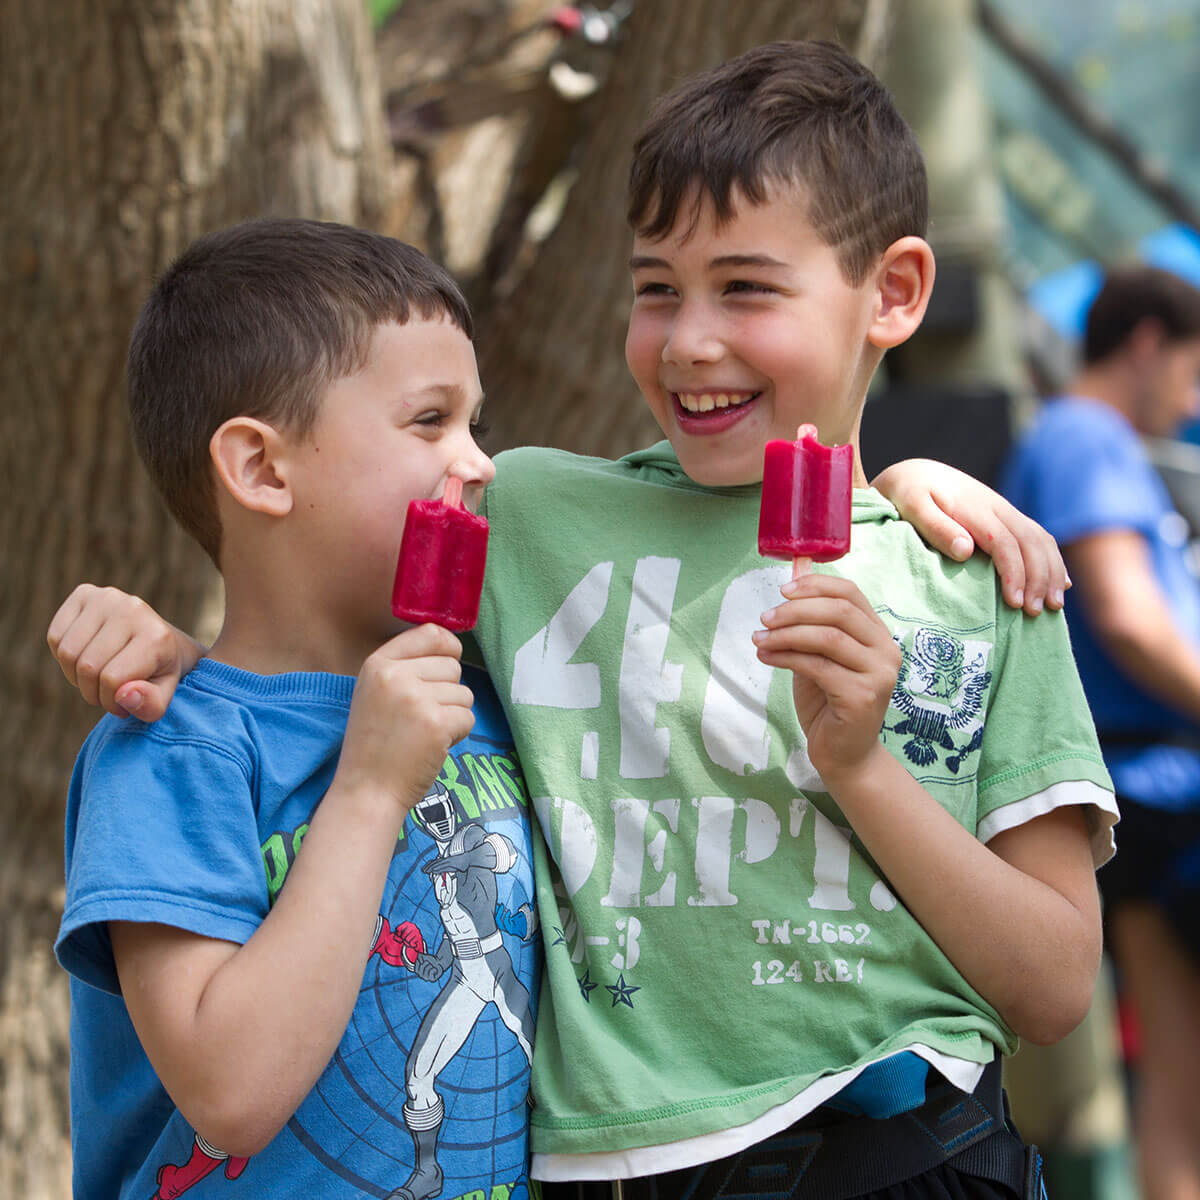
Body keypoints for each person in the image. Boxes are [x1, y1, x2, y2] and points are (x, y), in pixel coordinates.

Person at [48, 41, 1100, 1200]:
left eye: (744, 286)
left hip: (911, 1152)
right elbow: (303, 606)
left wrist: (877, 652)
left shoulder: (976, 582)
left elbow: (1054, 991)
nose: (692, 338)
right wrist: (177, 665)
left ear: (894, 293)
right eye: (657, 288)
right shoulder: (535, 518)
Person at [50, 218, 541, 1200]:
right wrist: (365, 791)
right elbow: (230, 1094)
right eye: (429, 421)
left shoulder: (501, 702)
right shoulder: (171, 753)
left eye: (475, 423)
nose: (479, 461)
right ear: (262, 470)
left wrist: (904, 499)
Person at [1003, 263, 1200, 1200]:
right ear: (1149, 344)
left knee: (1179, 1086)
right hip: (1163, 790)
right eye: (1194, 373)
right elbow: (1127, 614)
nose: (1193, 401)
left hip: (1150, 805)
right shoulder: (1088, 435)